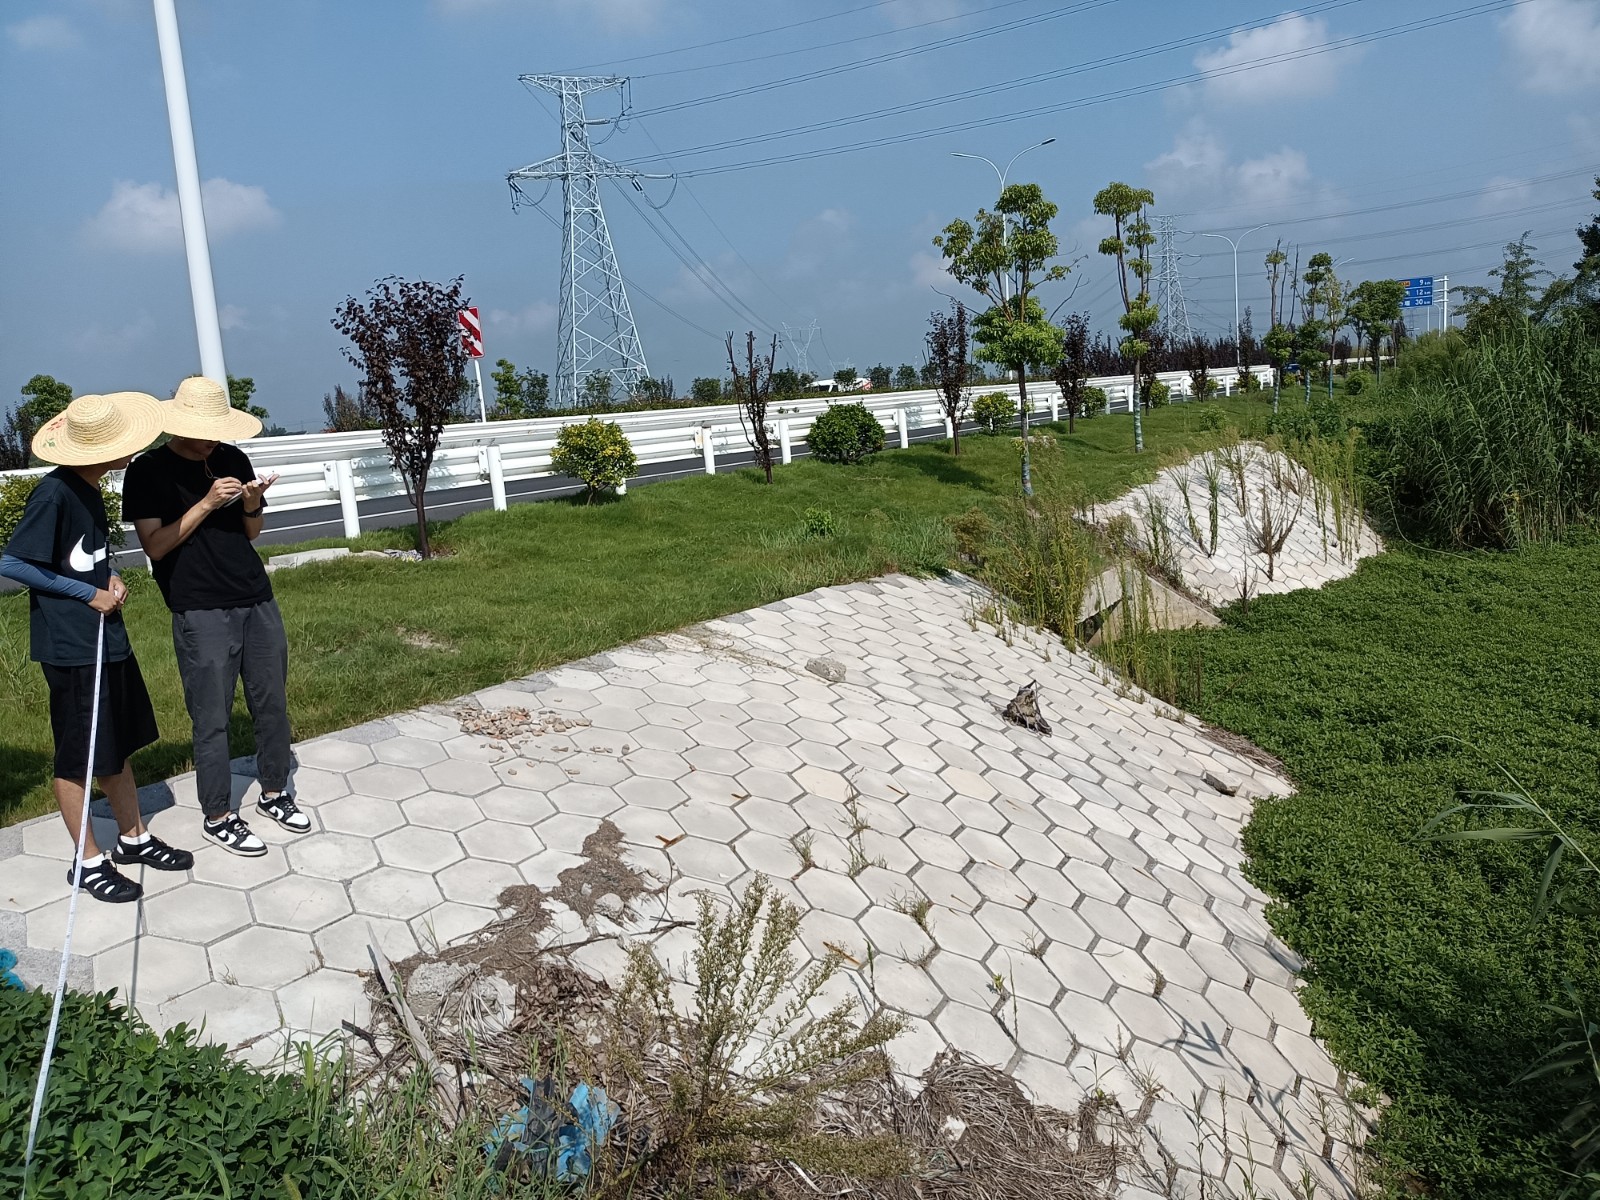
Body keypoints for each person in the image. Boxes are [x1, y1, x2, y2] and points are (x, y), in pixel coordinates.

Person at [0, 392, 194, 903]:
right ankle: (87, 862)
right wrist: (87, 594)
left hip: (107, 640)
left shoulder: (88, 489)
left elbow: (80, 557)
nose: (131, 448)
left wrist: (108, 576)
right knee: (78, 756)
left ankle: (134, 838)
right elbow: (13, 563)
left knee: (113, 744)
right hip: (73, 648)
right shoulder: (55, 493)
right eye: (122, 442)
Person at [122, 376, 308, 858]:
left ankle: (274, 791)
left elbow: (252, 533)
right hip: (198, 604)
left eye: (217, 429)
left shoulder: (232, 457)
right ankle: (219, 815)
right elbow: (155, 546)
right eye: (204, 430)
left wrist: (250, 501)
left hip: (255, 595)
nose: (212, 439)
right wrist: (205, 503)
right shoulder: (148, 471)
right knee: (211, 716)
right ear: (179, 425)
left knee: (272, 702)